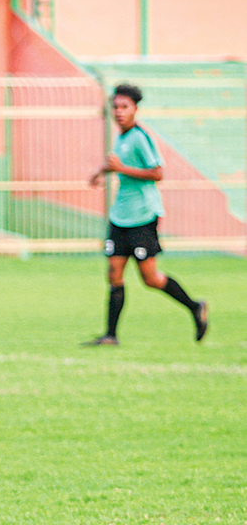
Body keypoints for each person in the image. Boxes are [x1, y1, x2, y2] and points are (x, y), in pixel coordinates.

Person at [84, 83, 208, 346]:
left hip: (142, 215)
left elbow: (157, 173)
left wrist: (121, 168)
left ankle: (195, 306)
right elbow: (119, 165)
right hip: (121, 215)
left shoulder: (140, 137)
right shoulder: (122, 137)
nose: (118, 111)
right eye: (115, 107)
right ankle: (110, 335)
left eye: (124, 107)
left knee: (150, 278)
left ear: (135, 109)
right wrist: (101, 172)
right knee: (114, 272)